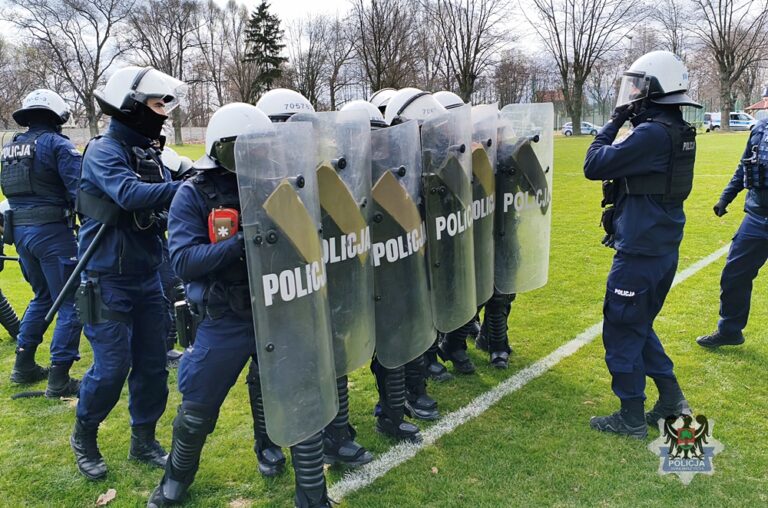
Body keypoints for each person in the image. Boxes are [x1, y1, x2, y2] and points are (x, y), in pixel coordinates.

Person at [148, 102, 332, 508]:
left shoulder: (280, 185)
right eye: (243, 147)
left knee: (301, 396)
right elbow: (184, 261)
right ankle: (175, 481)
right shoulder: (192, 194)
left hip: (283, 305)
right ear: (220, 148)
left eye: (261, 146)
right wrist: (242, 242)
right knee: (198, 402)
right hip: (227, 315)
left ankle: (312, 493)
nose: (255, 155)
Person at [71, 66, 185, 480]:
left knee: (153, 363)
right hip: (105, 278)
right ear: (132, 107)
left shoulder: (149, 152)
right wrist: (185, 188)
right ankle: (85, 434)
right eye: (157, 105)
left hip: (147, 274)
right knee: (112, 367)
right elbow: (129, 193)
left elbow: (176, 185)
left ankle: (144, 439)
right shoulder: (104, 150)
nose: (164, 114)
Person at [583, 51, 698, 438]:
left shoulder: (651, 134)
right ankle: (670, 400)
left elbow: (594, 164)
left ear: (655, 89)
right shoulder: (677, 130)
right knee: (638, 324)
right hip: (660, 247)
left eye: (637, 86)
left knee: (621, 329)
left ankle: (630, 417)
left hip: (641, 252)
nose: (630, 94)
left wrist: (613, 121)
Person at [1, 89, 82, 397]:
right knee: (70, 300)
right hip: (52, 234)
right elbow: (80, 191)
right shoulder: (58, 145)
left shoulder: (11, 148)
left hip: (21, 234)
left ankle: (24, 366)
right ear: (57, 116)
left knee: (42, 296)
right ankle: (60, 378)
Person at [696, 85, 768, 348]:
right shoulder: (760, 129)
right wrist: (726, 197)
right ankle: (730, 331)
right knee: (734, 275)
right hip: (757, 217)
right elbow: (744, 166)